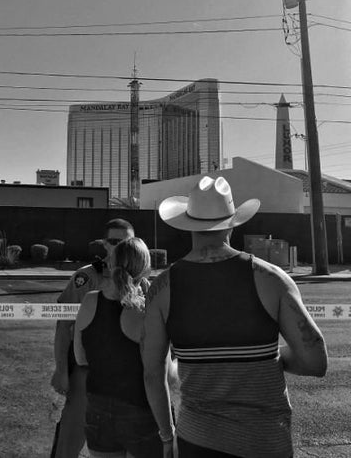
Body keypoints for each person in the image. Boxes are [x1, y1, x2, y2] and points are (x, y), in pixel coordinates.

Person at [141, 176, 328, 458]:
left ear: (188, 224)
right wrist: (268, 357)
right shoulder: (271, 278)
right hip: (265, 440)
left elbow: (152, 374)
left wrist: (167, 437)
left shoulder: (161, 289)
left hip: (197, 439)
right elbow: (315, 361)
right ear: (233, 222)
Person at [51, 218, 135, 458]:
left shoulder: (142, 280)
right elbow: (63, 325)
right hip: (85, 372)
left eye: (125, 242)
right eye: (113, 241)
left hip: (129, 378)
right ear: (104, 244)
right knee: (69, 441)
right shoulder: (85, 279)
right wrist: (61, 371)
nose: (118, 246)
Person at [74, 237, 165, 458]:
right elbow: (164, 376)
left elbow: (80, 358)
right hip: (141, 412)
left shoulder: (89, 302)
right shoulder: (147, 311)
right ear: (145, 270)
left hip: (97, 410)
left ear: (111, 264)